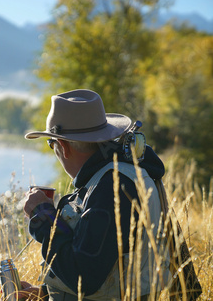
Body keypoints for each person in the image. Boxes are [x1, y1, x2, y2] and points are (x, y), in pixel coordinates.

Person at [17, 89, 169, 300]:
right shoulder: (118, 176)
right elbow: (107, 267)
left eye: (51, 143)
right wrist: (42, 293)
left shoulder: (111, 188)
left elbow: (84, 278)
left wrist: (43, 215)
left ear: (63, 146)